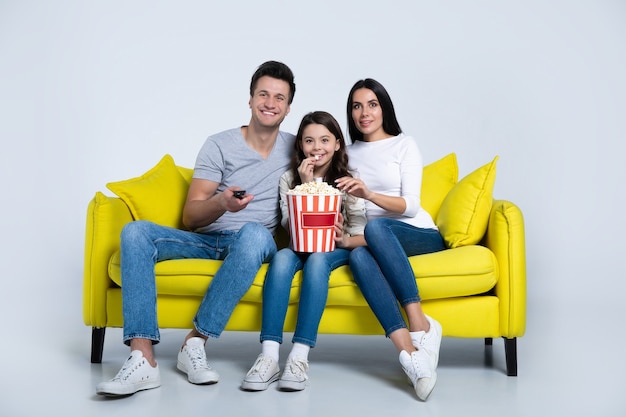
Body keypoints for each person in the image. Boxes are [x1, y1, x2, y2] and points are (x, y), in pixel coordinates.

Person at [96, 60, 297, 396]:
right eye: (263, 94)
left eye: (279, 98)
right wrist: (223, 203)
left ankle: (195, 343)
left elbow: (330, 157)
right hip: (206, 240)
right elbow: (190, 218)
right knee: (135, 233)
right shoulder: (220, 144)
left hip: (253, 241)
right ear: (249, 100)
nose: (270, 103)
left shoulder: (295, 148)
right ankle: (142, 358)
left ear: (288, 108)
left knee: (252, 233)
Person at [335, 79, 446, 401]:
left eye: (372, 104)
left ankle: (419, 321)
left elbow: (410, 205)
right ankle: (410, 354)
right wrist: (344, 238)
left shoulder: (404, 144)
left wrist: (369, 192)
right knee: (357, 256)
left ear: (384, 108)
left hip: (418, 233)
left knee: (377, 228)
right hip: (372, 238)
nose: (364, 112)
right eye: (356, 106)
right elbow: (353, 214)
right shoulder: (347, 153)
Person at [241, 111, 366, 392]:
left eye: (324, 139)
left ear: (337, 144)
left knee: (318, 261)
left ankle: (299, 357)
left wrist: (343, 234)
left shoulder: (348, 180)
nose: (316, 147)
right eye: (309, 140)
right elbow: (288, 224)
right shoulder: (289, 179)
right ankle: (269, 356)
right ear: (301, 146)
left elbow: (360, 231)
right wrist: (304, 185)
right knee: (282, 257)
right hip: (299, 246)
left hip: (334, 249)